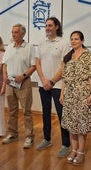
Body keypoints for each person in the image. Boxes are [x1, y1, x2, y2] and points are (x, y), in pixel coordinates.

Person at [35, 17, 70, 157]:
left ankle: (66, 144)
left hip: (58, 85)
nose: (47, 28)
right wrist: (43, 80)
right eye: (46, 25)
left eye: (50, 25)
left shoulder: (63, 43)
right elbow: (37, 62)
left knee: (62, 115)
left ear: (56, 27)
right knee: (45, 113)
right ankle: (47, 139)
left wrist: (52, 82)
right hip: (43, 84)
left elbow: (64, 66)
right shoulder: (41, 42)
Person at [2, 23, 36, 149]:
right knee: (12, 110)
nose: (13, 34)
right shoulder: (9, 47)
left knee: (26, 111)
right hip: (10, 83)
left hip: (24, 82)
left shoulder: (30, 47)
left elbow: (33, 66)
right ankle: (12, 133)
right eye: (12, 32)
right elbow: (4, 64)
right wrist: (5, 76)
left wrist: (23, 75)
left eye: (16, 32)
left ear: (22, 33)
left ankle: (29, 137)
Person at [60, 31, 91, 165]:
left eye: (76, 39)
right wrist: (62, 93)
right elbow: (65, 79)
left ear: (82, 41)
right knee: (71, 125)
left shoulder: (88, 56)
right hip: (70, 95)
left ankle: (81, 152)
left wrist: (90, 94)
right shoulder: (69, 57)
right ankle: (73, 150)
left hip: (83, 94)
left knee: (81, 125)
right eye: (72, 39)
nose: (73, 41)